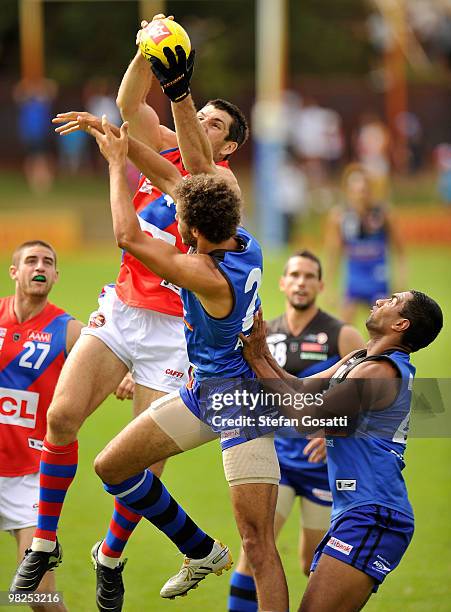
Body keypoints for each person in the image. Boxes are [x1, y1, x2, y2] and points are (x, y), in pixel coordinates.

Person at [11, 13, 249, 600]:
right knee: (61, 417)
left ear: (232, 143)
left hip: (174, 330)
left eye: (216, 123)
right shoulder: (159, 149)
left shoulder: (219, 184)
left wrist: (180, 95)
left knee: (142, 463)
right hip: (121, 310)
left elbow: (190, 167)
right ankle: (43, 543)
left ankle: (110, 556)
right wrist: (149, 45)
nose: (198, 124)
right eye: (200, 116)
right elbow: (128, 102)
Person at [89, 118, 288, 612]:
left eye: (180, 218)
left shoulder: (203, 271)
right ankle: (199, 548)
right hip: (206, 392)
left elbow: (128, 237)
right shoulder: (242, 240)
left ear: (193, 229)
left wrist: (117, 167)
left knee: (258, 544)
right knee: (112, 465)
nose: (173, 219)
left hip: (240, 402)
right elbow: (177, 181)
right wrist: (127, 142)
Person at [239, 289, 443, 611]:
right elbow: (301, 387)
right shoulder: (361, 359)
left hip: (374, 515)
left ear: (401, 324)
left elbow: (306, 419)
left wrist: (255, 360)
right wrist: (261, 352)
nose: (378, 301)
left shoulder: (380, 372)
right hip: (356, 511)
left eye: (391, 301)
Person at [228, 251, 365, 611]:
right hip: (278, 465)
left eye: (309, 276)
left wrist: (334, 429)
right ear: (283, 283)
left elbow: (371, 398)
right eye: (295, 275)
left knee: (311, 565)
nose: (302, 282)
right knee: (253, 550)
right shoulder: (262, 335)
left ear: (321, 285)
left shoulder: (343, 335)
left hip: (325, 470)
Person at [0, 241, 83, 612]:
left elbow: (109, 363)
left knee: (36, 595)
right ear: (14, 271)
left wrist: (124, 377)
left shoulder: (68, 331)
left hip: (32, 474)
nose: (40, 266)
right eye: (31, 260)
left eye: (48, 262)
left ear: (55, 276)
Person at [325, 163, 407, 325]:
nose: (360, 194)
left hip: (378, 281)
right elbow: (333, 253)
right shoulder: (339, 216)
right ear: (347, 191)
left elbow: (400, 251)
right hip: (353, 283)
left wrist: (401, 282)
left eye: (363, 189)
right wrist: (329, 288)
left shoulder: (384, 214)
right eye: (355, 190)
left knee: (382, 331)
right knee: (344, 330)